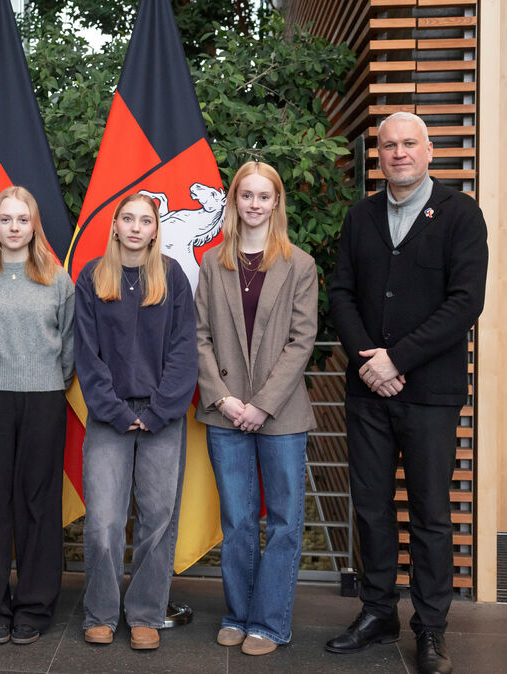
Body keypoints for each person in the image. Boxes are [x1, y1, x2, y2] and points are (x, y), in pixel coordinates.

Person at [326, 112, 487, 674]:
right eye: (389, 145)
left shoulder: (461, 215)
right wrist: (372, 360)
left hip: (430, 394)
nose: (398, 153)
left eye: (408, 144)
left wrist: (398, 359)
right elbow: (341, 294)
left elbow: (465, 303)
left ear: (429, 150)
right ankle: (377, 613)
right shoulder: (360, 217)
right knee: (371, 508)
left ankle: (431, 627)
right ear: (380, 155)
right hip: (369, 391)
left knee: (430, 513)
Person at [194, 161, 318, 656]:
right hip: (224, 411)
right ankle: (237, 614)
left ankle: (269, 622)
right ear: (234, 200)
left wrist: (261, 405)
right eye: (246, 195)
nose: (254, 204)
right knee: (239, 519)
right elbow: (199, 337)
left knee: (285, 519)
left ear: (276, 203)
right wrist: (224, 399)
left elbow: (301, 339)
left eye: (264, 196)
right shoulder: (212, 262)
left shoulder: (299, 264)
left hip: (280, 414)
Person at [75, 193, 197, 651]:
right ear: (115, 225)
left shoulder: (173, 277)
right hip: (110, 414)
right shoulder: (92, 276)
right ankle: (101, 612)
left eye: (144, 220)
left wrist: (159, 410)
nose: (135, 227)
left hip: (162, 414)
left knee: (158, 518)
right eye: (127, 218)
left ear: (154, 228)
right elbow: (86, 354)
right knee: (104, 521)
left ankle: (146, 612)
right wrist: (117, 411)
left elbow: (185, 350)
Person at [0, 186, 73, 646]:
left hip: (44, 399)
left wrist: (45, 380)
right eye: (6, 219)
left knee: (39, 506)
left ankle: (34, 607)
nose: (14, 227)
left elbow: (68, 349)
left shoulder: (56, 280)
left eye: (23, 219)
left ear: (34, 225)